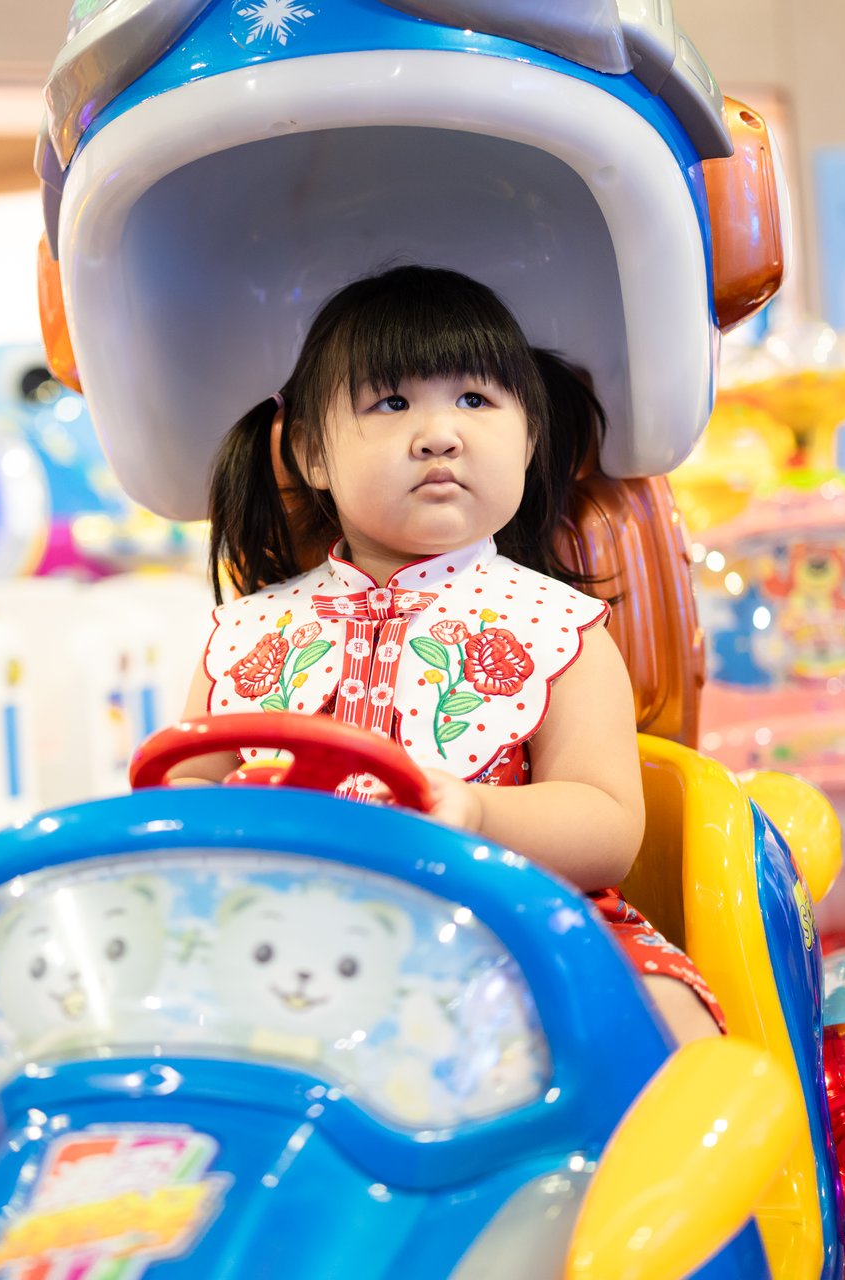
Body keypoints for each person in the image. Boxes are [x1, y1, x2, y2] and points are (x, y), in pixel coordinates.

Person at [168, 264, 720, 1043]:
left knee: (671, 1024)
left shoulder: (559, 628)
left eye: (475, 400)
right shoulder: (247, 634)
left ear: (529, 438)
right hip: (284, 933)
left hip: (510, 925)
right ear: (310, 454)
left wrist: (480, 811)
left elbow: (606, 823)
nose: (439, 433)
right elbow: (182, 797)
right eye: (392, 403)